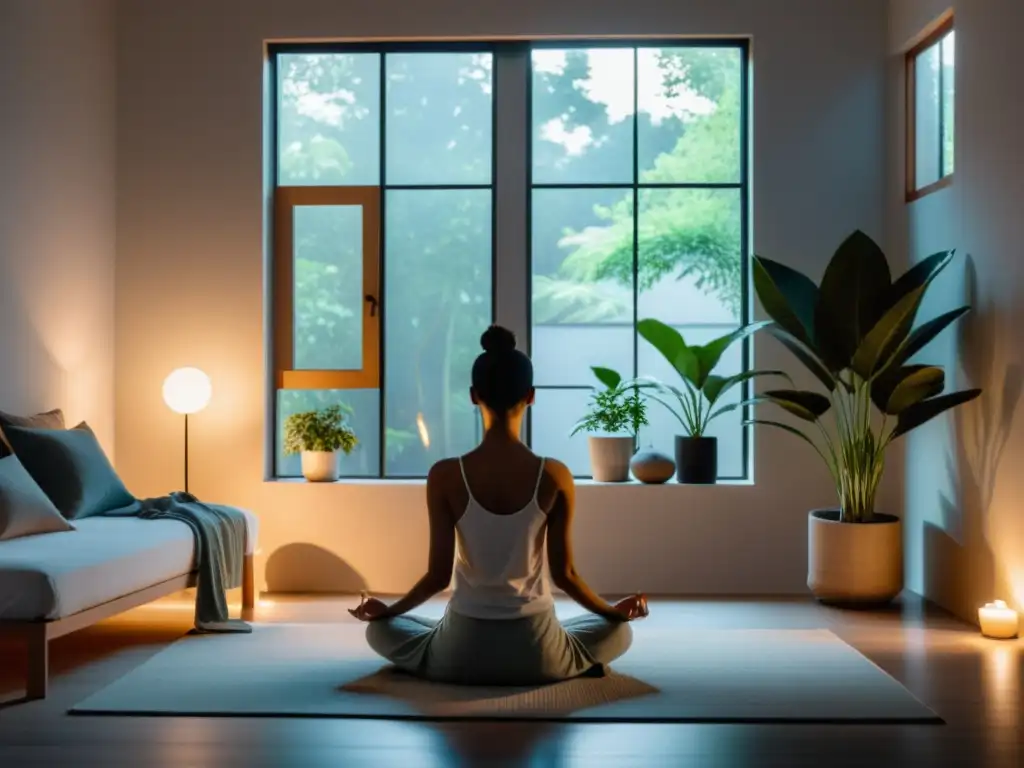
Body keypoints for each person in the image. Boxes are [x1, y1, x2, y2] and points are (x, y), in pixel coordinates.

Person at [349, 325, 648, 685]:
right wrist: (613, 613)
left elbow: (437, 577)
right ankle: (564, 662)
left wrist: (388, 612)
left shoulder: (445, 475)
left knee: (380, 631)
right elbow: (565, 576)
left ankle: (442, 658)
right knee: (619, 632)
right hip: (537, 652)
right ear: (532, 396)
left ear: (474, 396)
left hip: (461, 653)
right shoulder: (555, 475)